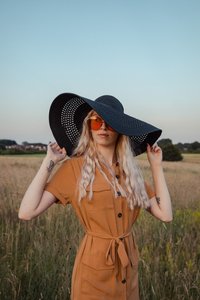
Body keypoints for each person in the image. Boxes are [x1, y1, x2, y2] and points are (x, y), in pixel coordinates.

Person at [19, 93, 172, 300]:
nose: (102, 127)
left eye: (110, 123)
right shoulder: (73, 169)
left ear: (120, 130)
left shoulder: (131, 174)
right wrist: (50, 162)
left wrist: (156, 167)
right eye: (96, 121)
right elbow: (27, 212)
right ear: (88, 127)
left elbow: (165, 215)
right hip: (93, 274)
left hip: (128, 273)